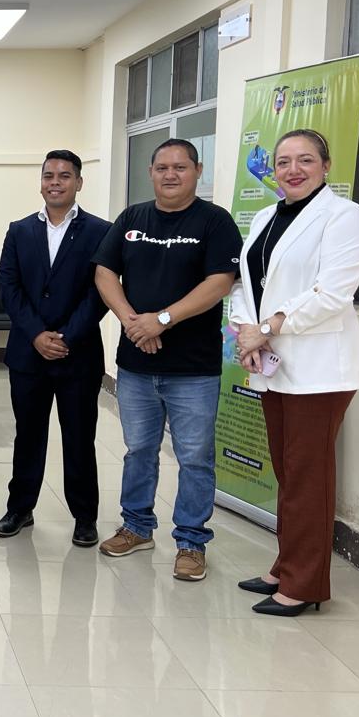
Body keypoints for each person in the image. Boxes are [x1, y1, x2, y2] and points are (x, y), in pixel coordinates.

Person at [230, 129, 359, 616]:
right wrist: (245, 332)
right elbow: (246, 283)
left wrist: (267, 329)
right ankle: (285, 566)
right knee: (287, 471)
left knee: (308, 475)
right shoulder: (266, 217)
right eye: (284, 161)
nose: (293, 170)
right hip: (273, 364)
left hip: (320, 369)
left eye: (306, 160)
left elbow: (332, 293)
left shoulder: (344, 216)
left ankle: (304, 584)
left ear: (326, 166)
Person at [92, 138, 242, 581]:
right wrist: (133, 322)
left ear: (198, 171)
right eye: (162, 167)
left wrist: (162, 320)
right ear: (151, 172)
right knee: (139, 450)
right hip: (136, 364)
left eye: (180, 167)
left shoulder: (214, 221)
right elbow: (104, 272)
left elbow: (220, 282)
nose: (170, 174)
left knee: (194, 456)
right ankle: (137, 526)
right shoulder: (132, 218)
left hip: (193, 368)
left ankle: (191, 542)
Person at [0, 150, 111, 547]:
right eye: (49, 175)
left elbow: (101, 292)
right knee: (28, 436)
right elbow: (9, 286)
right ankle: (20, 508)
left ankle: (85, 517)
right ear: (41, 182)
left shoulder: (101, 231)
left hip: (78, 354)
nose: (55, 182)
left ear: (79, 182)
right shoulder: (19, 230)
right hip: (28, 354)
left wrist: (65, 337)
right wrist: (36, 335)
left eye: (64, 175)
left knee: (79, 438)